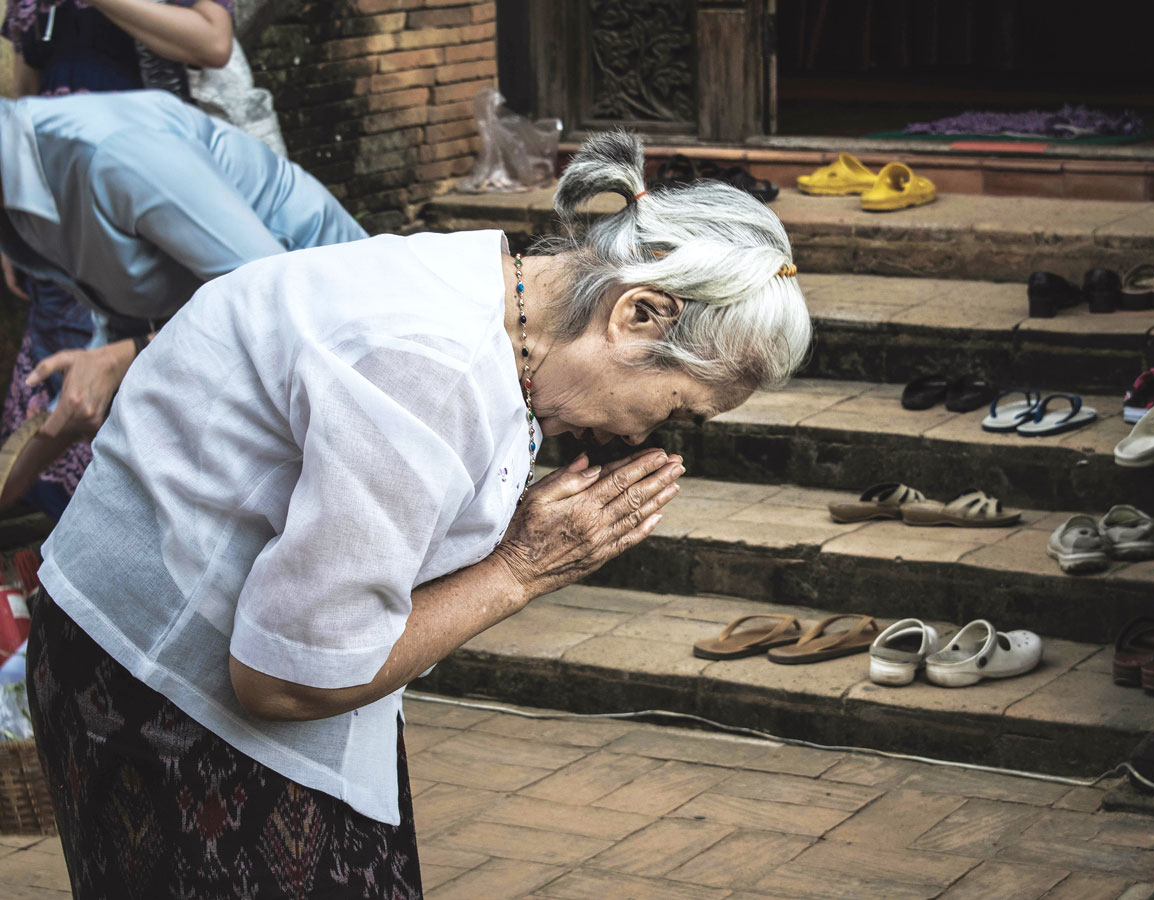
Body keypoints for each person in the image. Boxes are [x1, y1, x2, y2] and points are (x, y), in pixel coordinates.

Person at [26, 130, 813, 898]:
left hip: (146, 644)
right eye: (673, 408)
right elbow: (284, 677)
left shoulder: (490, 284)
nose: (643, 435)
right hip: (159, 690)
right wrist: (520, 569)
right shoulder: (430, 370)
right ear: (638, 314)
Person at [0, 88, 366, 510]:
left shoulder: (112, 153)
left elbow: (273, 295)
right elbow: (122, 314)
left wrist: (128, 358)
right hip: (240, 343)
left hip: (334, 330)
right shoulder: (22, 205)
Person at [1, 0, 236, 519]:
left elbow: (214, 44)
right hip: (53, 205)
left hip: (144, 195)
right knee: (59, 374)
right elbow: (23, 93)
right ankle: (66, 556)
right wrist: (13, 224)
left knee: (156, 372)